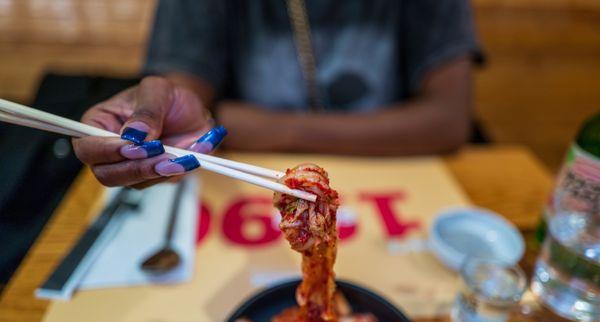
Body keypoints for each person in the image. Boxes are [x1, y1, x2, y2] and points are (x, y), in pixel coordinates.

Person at [73, 0, 481, 188]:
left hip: (398, 190)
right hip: (241, 194)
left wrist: (246, 121)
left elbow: (448, 121)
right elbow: (185, 112)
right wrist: (163, 120)